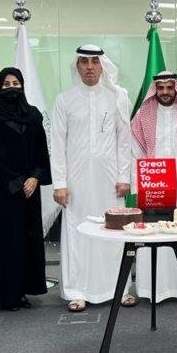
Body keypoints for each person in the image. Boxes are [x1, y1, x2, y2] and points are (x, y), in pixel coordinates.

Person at [51, 45, 132, 312]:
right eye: (84, 62)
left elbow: (124, 140)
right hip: (76, 182)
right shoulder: (64, 100)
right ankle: (77, 291)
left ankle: (118, 289)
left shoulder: (117, 97)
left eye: (94, 62)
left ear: (102, 65)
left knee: (113, 231)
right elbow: (57, 144)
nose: (89, 67)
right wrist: (60, 183)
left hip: (110, 180)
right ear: (77, 66)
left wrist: (124, 177)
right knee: (78, 233)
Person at [130, 70, 177, 303]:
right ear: (155, 90)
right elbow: (135, 153)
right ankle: (153, 289)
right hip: (152, 183)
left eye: (169, 87)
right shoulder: (142, 115)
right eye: (160, 88)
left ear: (176, 89)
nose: (165, 92)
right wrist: (139, 188)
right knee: (153, 231)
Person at [0, 67, 52, 311]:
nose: (11, 87)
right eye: (6, 84)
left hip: (30, 190)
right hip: (4, 191)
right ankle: (6, 295)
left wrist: (35, 177)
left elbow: (41, 150)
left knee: (28, 240)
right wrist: (16, 182)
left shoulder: (33, 114)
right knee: (7, 242)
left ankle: (23, 291)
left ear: (22, 85)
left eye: (15, 83)